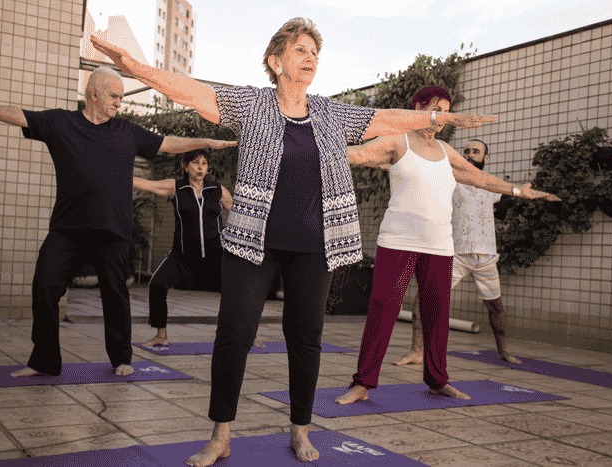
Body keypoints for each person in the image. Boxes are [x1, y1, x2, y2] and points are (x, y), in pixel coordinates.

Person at [91, 19, 495, 466]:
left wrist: (436, 118)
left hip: (315, 245)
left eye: (314, 53)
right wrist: (133, 66)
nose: (310, 58)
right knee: (234, 335)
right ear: (276, 61)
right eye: (301, 50)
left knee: (306, 338)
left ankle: (300, 429)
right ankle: (221, 433)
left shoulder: (328, 112)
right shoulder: (252, 103)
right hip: (252, 242)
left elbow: (384, 119)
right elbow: (190, 91)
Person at [0, 67, 236, 378]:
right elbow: (20, 115)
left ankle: (121, 358)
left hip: (112, 229)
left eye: (122, 97)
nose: (119, 103)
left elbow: (168, 143)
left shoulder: (126, 131)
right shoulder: (61, 123)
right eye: (114, 96)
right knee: (44, 286)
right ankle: (43, 360)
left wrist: (207, 142)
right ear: (93, 93)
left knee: (114, 295)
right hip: (68, 228)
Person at [335, 86, 559, 406]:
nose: (443, 117)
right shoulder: (397, 141)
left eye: (447, 110)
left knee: (437, 313)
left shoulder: (445, 151)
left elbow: (480, 179)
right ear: (419, 107)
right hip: (398, 240)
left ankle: (438, 379)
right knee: (384, 309)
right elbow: (356, 154)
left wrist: (520, 191)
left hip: (439, 245)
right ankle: (362, 382)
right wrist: (309, 145)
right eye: (437, 108)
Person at [395, 139, 522, 367]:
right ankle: (416, 351)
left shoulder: (491, 185)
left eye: (476, 151)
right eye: (466, 151)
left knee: (496, 306)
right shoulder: (449, 180)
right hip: (455, 254)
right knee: (425, 297)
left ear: (486, 158)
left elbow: (507, 201)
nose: (470, 154)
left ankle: (504, 350)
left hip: (486, 257)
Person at [132, 149, 232, 347]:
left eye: (204, 163)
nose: (201, 167)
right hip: (183, 256)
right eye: (196, 163)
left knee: (234, 292)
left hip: (215, 255)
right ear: (185, 166)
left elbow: (239, 213)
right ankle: (161, 335)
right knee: (157, 285)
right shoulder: (176, 187)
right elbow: (147, 184)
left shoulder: (217, 190)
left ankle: (246, 335)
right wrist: (114, 172)